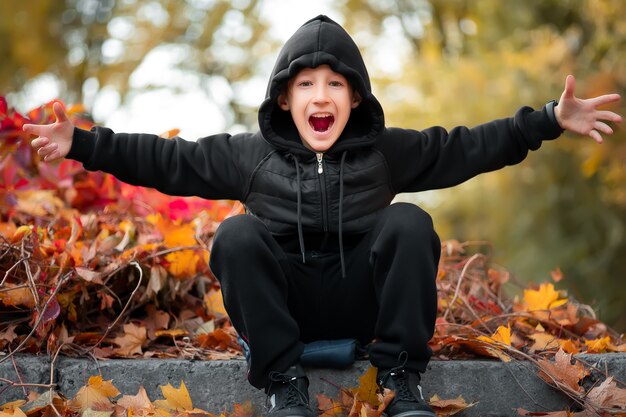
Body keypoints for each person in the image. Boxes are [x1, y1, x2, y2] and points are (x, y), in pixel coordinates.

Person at [25, 15, 621, 417]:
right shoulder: (248, 156)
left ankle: (400, 380)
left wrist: (546, 119)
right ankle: (286, 385)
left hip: (362, 308)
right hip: (287, 311)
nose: (320, 95)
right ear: (284, 98)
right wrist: (82, 143)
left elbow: (464, 146)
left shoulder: (385, 154)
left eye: (335, 83)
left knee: (410, 223)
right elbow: (165, 158)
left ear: (355, 97)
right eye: (306, 83)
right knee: (235, 235)